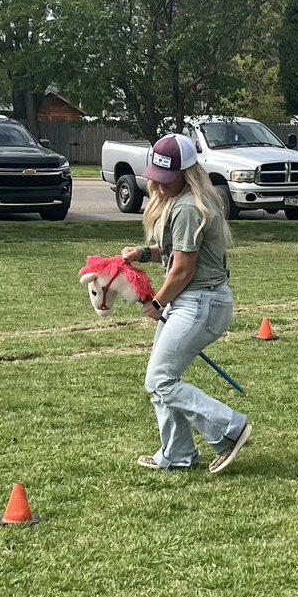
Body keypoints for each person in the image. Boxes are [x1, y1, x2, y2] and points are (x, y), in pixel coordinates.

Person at [120, 134, 251, 475]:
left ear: (188, 172)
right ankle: (176, 455)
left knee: (161, 380)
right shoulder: (184, 202)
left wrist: (158, 302)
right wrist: (144, 253)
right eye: (157, 175)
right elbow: (176, 251)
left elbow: (183, 268)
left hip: (199, 301)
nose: (159, 183)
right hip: (193, 301)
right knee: (162, 378)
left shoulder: (189, 206)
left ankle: (229, 429)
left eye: (168, 176)